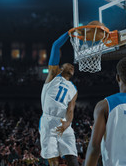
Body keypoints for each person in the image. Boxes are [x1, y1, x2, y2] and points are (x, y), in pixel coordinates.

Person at [39, 32, 79, 166]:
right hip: (48, 120)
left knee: (72, 155)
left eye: (73, 67)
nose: (72, 66)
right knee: (53, 158)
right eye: (69, 65)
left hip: (64, 121)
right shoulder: (53, 75)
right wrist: (68, 34)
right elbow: (55, 46)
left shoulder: (73, 89)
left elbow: (71, 109)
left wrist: (68, 122)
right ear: (61, 68)